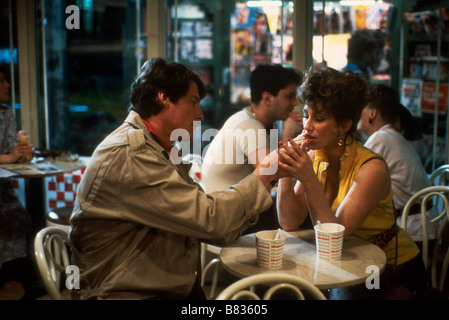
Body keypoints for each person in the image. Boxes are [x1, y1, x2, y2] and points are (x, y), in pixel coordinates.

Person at [69, 58, 289, 300]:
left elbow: (213, 228)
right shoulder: (132, 153)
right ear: (163, 98)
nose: (200, 113)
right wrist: (265, 173)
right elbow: (209, 220)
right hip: (120, 293)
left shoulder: (156, 145)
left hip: (158, 284)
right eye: (193, 102)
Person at [276, 67, 426, 299]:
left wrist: (307, 177)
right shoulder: (316, 156)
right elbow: (289, 222)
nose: (307, 126)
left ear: (344, 126)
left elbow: (334, 238)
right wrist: (286, 171)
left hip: (390, 270)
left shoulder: (371, 168)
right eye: (306, 115)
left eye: (319, 118)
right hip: (347, 262)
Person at [201, 64, 303, 193]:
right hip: (224, 209)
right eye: (289, 97)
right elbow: (275, 179)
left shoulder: (247, 118)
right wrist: (288, 136)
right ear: (267, 98)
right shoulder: (249, 126)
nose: (295, 103)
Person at [358, 84, 435, 241]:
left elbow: (354, 177)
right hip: (423, 226)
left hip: (412, 232)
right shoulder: (391, 136)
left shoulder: (381, 138)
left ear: (372, 113)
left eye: (362, 109)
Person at [0, 64, 39, 299]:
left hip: (2, 187)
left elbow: (8, 152)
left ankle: (26, 279)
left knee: (21, 216)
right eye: (1, 80)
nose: (7, 85)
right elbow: (6, 156)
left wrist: (21, 153)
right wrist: (9, 157)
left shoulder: (5, 113)